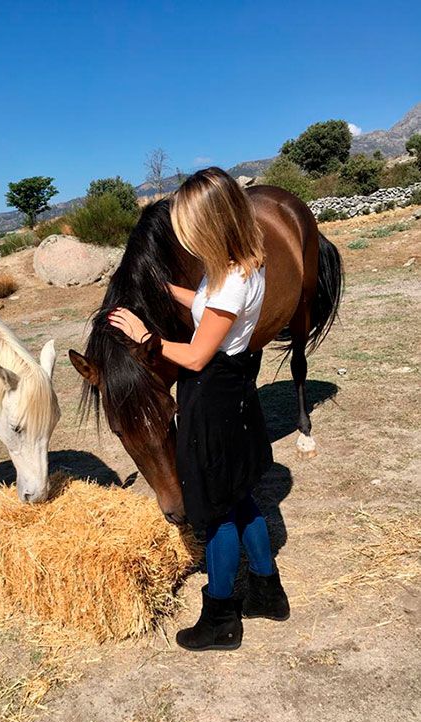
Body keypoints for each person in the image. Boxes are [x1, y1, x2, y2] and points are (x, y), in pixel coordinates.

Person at [108, 167, 289, 652]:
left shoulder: (229, 284)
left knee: (213, 512)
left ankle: (220, 617)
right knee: (240, 495)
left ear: (209, 226)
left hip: (211, 398)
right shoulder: (240, 268)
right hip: (234, 392)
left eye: (189, 228)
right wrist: (167, 291)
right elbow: (209, 309)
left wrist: (148, 339)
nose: (184, 238)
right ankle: (269, 592)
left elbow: (193, 354)